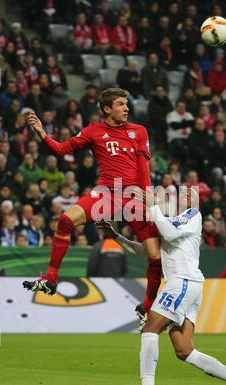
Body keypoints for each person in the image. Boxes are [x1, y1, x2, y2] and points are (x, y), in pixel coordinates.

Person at [22, 88, 162, 321]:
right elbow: (61, 149)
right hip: (106, 192)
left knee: (155, 256)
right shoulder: (93, 131)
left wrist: (147, 193)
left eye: (126, 104)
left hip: (134, 196)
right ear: (107, 109)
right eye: (120, 104)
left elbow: (143, 165)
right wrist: (42, 134)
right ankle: (50, 279)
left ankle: (146, 308)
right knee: (65, 221)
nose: (126, 108)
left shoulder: (139, 131)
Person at [106, 187, 226, 385]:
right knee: (185, 350)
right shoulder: (167, 220)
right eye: (183, 192)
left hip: (182, 282)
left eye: (192, 195)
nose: (187, 194)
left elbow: (169, 233)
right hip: (188, 285)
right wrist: (117, 237)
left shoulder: (193, 216)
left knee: (150, 329)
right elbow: (147, 250)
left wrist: (152, 205)